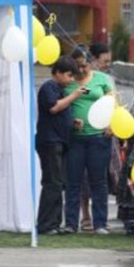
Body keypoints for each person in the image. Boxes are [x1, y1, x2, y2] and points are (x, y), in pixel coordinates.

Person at [63, 47, 115, 235]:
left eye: (84, 66)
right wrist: (71, 121)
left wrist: (111, 124)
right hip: (75, 138)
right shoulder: (67, 83)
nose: (81, 70)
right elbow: (61, 106)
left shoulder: (102, 79)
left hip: (99, 137)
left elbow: (113, 102)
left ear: (91, 63)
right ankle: (71, 223)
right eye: (77, 67)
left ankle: (100, 223)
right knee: (73, 181)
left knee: (98, 181)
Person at [35, 55, 81, 235]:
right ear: (58, 73)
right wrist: (74, 96)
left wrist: (72, 122)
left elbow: (60, 111)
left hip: (60, 141)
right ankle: (46, 224)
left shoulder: (60, 90)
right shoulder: (49, 87)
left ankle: (54, 223)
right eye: (69, 75)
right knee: (52, 182)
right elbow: (53, 107)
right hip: (50, 142)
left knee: (58, 183)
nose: (71, 80)